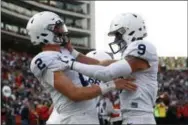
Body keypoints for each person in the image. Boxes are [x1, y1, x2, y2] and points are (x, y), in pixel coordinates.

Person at [26, 11, 137, 124]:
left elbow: (97, 64)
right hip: (72, 118)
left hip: (86, 116)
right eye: (57, 28)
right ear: (44, 32)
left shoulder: (65, 51)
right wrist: (112, 85)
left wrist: (130, 63)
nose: (61, 30)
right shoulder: (43, 59)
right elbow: (74, 94)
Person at [62, 13, 159, 124]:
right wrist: (72, 52)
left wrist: (71, 64)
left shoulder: (143, 47)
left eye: (118, 34)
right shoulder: (132, 59)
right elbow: (100, 64)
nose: (116, 39)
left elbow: (106, 73)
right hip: (132, 117)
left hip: (139, 118)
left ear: (130, 30)